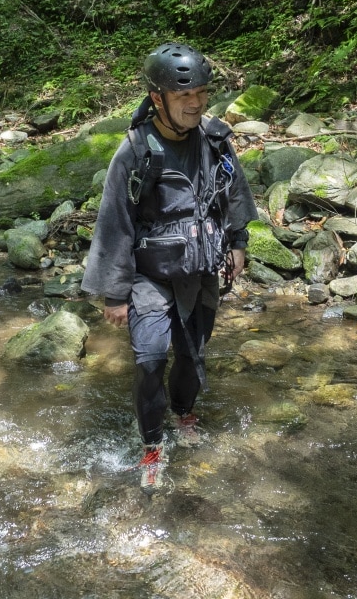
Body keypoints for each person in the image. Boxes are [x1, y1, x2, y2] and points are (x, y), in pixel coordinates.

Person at [81, 42, 256, 489]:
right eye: (185, 96)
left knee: (192, 356)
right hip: (149, 274)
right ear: (158, 97)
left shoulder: (216, 141)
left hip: (200, 268)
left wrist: (238, 241)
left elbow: (235, 195)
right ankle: (152, 445)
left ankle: (184, 414)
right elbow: (114, 224)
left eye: (201, 93)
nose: (196, 104)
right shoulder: (136, 152)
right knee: (150, 358)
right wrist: (115, 293)